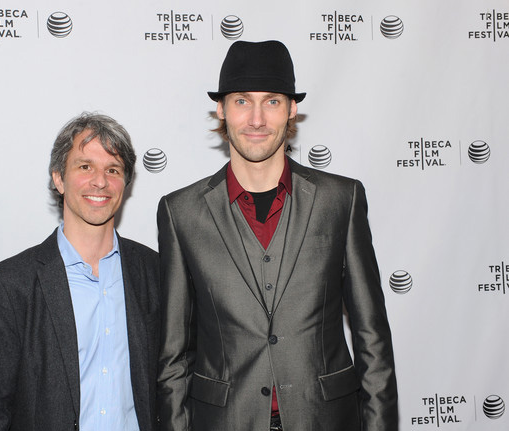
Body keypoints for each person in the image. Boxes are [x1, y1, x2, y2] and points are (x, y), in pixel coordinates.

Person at [156, 40, 398, 431]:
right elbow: (173, 358)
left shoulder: (341, 200)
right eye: (241, 101)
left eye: (271, 101)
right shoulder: (181, 212)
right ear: (220, 109)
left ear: (291, 110)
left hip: (325, 419)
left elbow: (373, 340)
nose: (256, 119)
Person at [0, 113, 160, 431]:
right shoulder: (10, 284)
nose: (100, 181)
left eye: (113, 170)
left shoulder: (154, 274)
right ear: (58, 178)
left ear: (125, 183)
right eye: (85, 167)